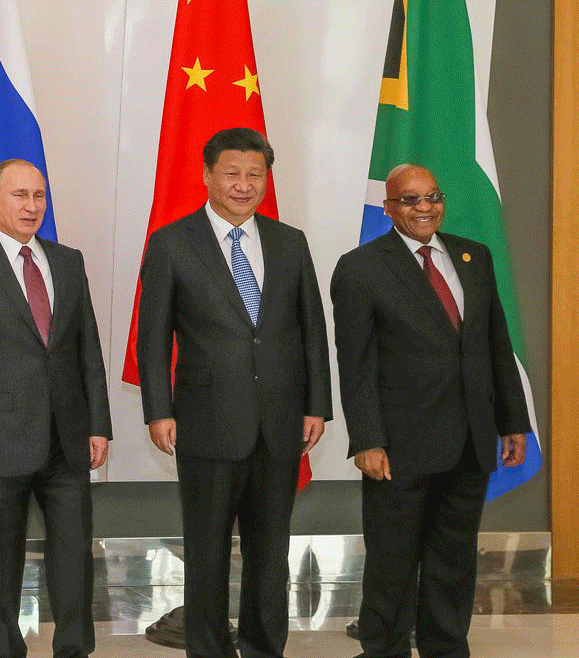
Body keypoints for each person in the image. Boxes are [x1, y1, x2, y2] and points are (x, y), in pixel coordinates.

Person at [136, 127, 332, 658]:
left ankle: (264, 646)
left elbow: (311, 328)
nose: (244, 185)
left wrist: (318, 404)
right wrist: (158, 409)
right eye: (232, 173)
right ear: (207, 176)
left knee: (272, 553)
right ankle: (208, 648)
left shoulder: (290, 242)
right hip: (205, 422)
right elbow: (151, 337)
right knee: (207, 552)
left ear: (266, 179)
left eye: (255, 174)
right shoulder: (173, 243)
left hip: (280, 423)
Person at [331, 164, 530, 658]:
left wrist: (514, 422)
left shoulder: (473, 256)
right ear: (389, 208)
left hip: (470, 439)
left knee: (453, 560)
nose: (425, 207)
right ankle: (384, 649)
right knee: (393, 563)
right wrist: (367, 440)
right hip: (400, 446)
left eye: (432, 197)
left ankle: (446, 648)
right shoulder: (360, 267)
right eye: (411, 199)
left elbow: (495, 346)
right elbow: (355, 364)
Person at [0, 158, 112, 658]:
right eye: (19, 195)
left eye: (39, 195)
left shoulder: (68, 261)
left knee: (74, 559)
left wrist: (98, 423)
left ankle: (73, 650)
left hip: (68, 440)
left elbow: (87, 350)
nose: (31, 206)